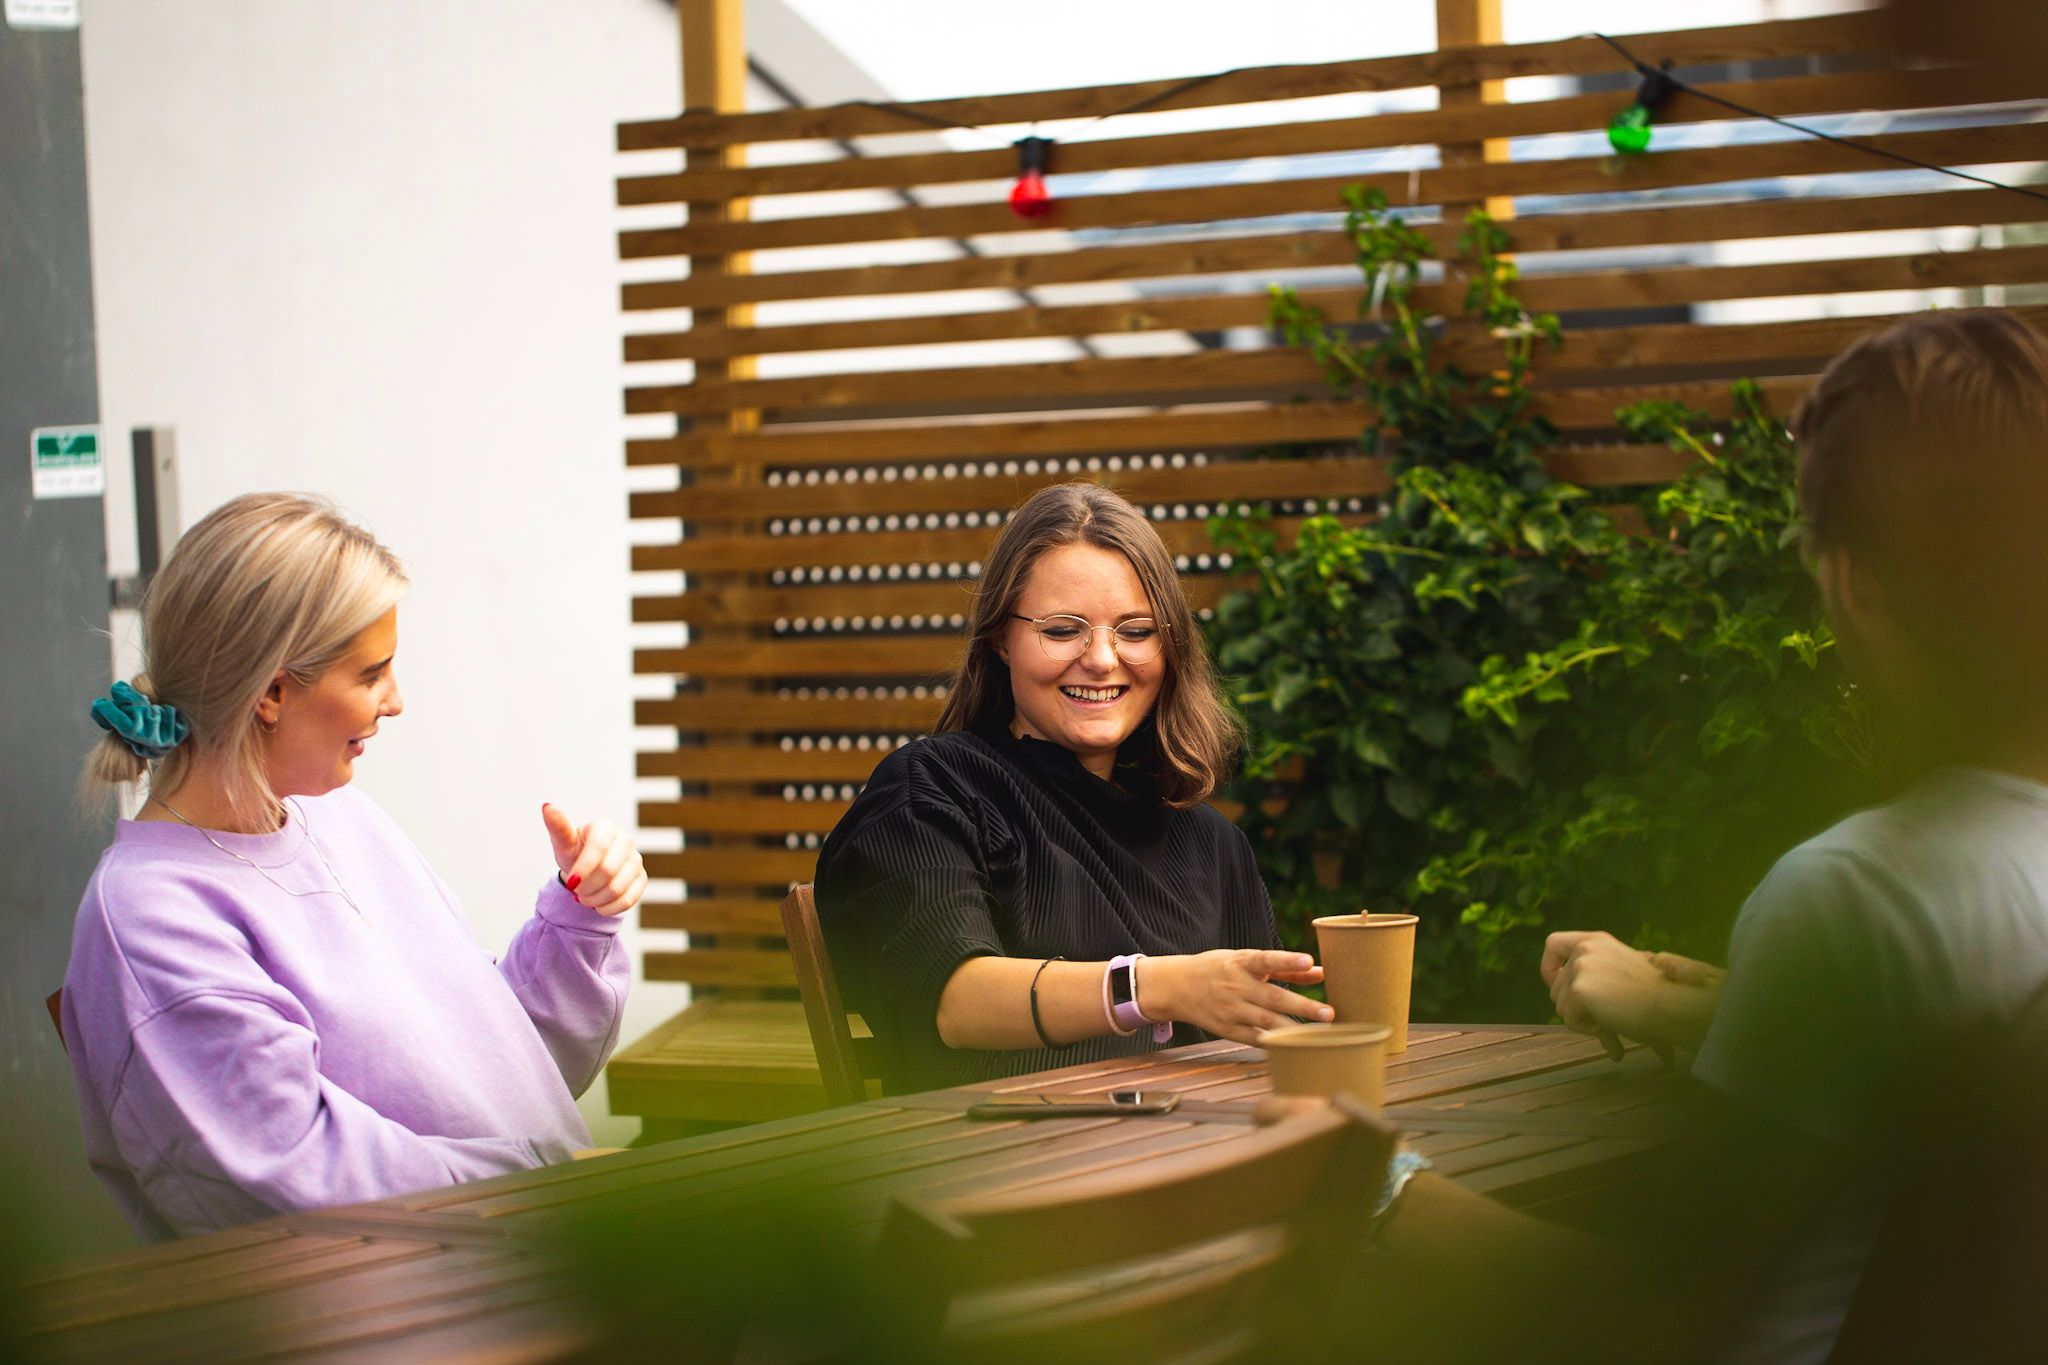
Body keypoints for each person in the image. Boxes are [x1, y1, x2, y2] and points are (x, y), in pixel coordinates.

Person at [1324, 310, 2048, 1365]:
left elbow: (1650, 1317)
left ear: (1850, 579)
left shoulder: (1864, 895)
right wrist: (1704, 1004)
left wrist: (1366, 1184)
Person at [65, 493, 644, 1239]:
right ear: (271, 691)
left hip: (522, 1253)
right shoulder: (149, 918)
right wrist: (555, 1181)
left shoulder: (340, 817)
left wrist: (577, 918)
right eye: (372, 673)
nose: (396, 701)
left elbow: (484, 1080)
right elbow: (302, 1177)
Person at [814, 482, 1329, 1095]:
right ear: (1001, 637)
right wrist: (1152, 988)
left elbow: (1273, 1056)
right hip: (995, 1172)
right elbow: (954, 1000)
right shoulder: (932, 791)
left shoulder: (1211, 845)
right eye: (1063, 630)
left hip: (1200, 1166)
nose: (1103, 658)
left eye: (1136, 631)